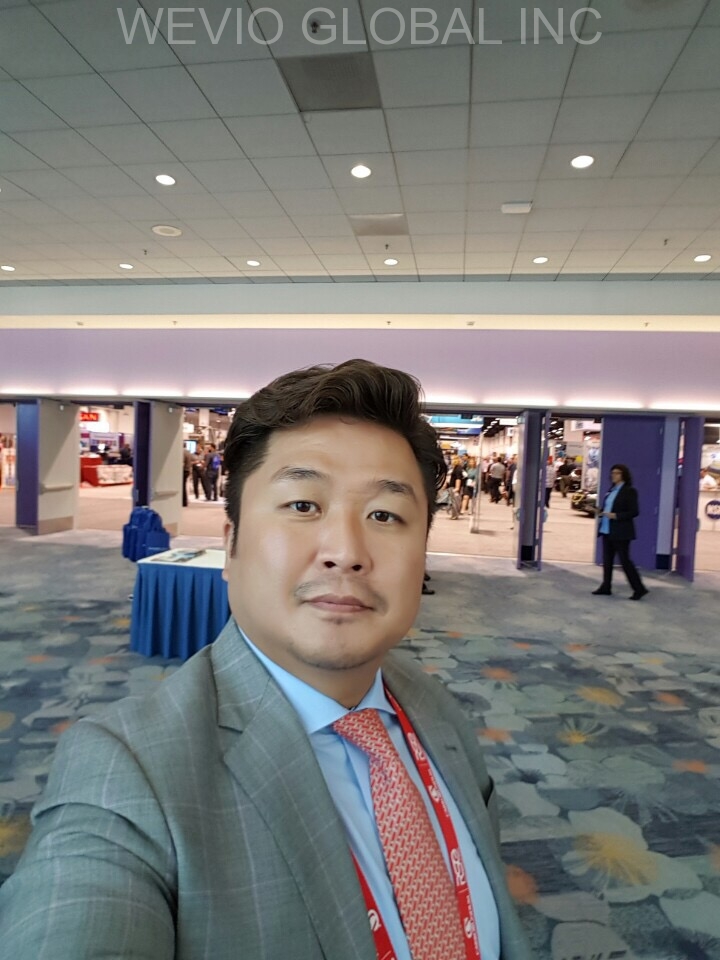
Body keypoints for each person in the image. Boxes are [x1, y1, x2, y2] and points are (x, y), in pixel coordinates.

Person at [0, 359, 531, 960]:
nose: (345, 551)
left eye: (384, 515)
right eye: (303, 505)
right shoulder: (126, 774)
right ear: (230, 545)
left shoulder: (432, 706)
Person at [592, 463, 648, 601]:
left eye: (617, 473)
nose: (613, 475)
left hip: (621, 532)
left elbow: (634, 512)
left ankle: (639, 588)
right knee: (607, 560)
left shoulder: (629, 491)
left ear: (623, 475)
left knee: (625, 561)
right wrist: (600, 512)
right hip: (607, 530)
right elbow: (608, 509)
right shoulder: (611, 490)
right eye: (612, 473)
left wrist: (616, 516)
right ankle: (606, 586)